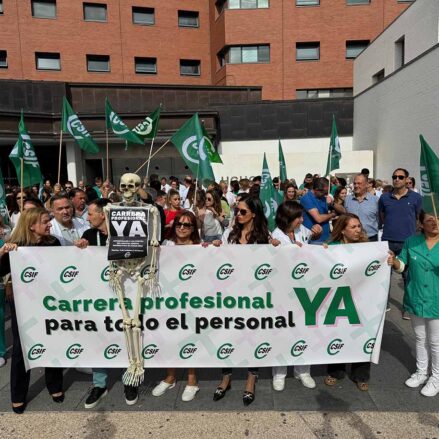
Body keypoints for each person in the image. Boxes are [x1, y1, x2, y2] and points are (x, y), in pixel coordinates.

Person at [0, 208, 64, 413]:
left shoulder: (53, 242)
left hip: (49, 301)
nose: (49, 225)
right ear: (31, 225)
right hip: (23, 303)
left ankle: (54, 385)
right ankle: (18, 394)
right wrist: (2, 252)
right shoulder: (16, 246)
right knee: (21, 348)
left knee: (52, 340)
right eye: (45, 221)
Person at [212, 194, 274, 406]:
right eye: (237, 210)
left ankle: (250, 380)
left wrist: (280, 247)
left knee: (253, 336)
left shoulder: (266, 235)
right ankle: (226, 378)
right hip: (230, 296)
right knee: (226, 334)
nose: (237, 214)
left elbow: (284, 258)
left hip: (255, 297)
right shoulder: (230, 233)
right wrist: (212, 247)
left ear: (254, 214)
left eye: (243, 211)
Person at [271, 201, 322, 391]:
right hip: (283, 291)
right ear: (287, 219)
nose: (302, 220)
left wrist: (316, 230)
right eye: (298, 217)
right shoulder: (275, 236)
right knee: (283, 330)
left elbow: (312, 236)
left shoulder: (301, 230)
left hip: (304, 288)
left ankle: (303, 370)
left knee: (304, 329)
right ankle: (280, 372)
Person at [152, 211, 202, 402]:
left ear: (193, 229)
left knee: (189, 338)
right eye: (179, 224)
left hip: (191, 301)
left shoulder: (199, 247)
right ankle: (170, 376)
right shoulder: (166, 245)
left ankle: (191, 380)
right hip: (167, 299)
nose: (182, 228)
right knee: (169, 337)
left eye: (187, 225)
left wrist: (213, 249)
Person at [387, 211, 439, 396]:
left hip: (436, 299)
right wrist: (394, 262)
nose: (434, 223)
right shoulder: (411, 241)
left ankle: (436, 377)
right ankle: (421, 372)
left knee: (435, 341)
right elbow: (403, 264)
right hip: (416, 296)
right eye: (429, 220)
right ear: (421, 224)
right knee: (420, 337)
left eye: (438, 219)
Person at [324, 213, 371, 391]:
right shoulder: (332, 247)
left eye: (359, 226)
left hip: (361, 300)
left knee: (363, 334)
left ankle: (361, 374)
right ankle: (335, 371)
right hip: (338, 299)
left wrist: (387, 259)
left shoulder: (368, 248)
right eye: (353, 227)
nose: (358, 230)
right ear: (342, 230)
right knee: (337, 333)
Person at [379, 168, 422, 318]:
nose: (397, 179)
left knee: (408, 277)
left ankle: (407, 308)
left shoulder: (416, 197)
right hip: (388, 242)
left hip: (408, 243)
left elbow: (419, 218)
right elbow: (382, 216)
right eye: (394, 176)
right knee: (385, 276)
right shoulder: (384, 198)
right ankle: (384, 305)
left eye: (400, 177)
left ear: (406, 179)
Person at [300, 177, 336, 243]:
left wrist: (332, 204)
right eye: (325, 192)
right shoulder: (306, 198)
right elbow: (318, 218)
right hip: (314, 239)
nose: (326, 194)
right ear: (316, 189)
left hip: (326, 237)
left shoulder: (323, 197)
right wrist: (332, 215)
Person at [344, 174, 379, 241]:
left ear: (366, 184)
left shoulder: (376, 200)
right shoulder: (347, 199)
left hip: (370, 239)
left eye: (359, 183)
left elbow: (379, 220)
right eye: (355, 183)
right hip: (352, 239)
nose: (356, 186)